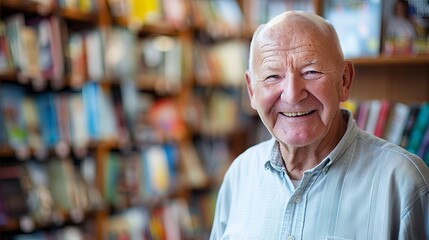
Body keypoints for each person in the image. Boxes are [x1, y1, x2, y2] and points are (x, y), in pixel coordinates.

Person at [209, 11, 429, 240]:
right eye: (273, 76)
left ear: (344, 80)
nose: (293, 95)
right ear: (252, 91)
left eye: (311, 72)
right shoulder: (240, 175)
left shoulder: (404, 183)